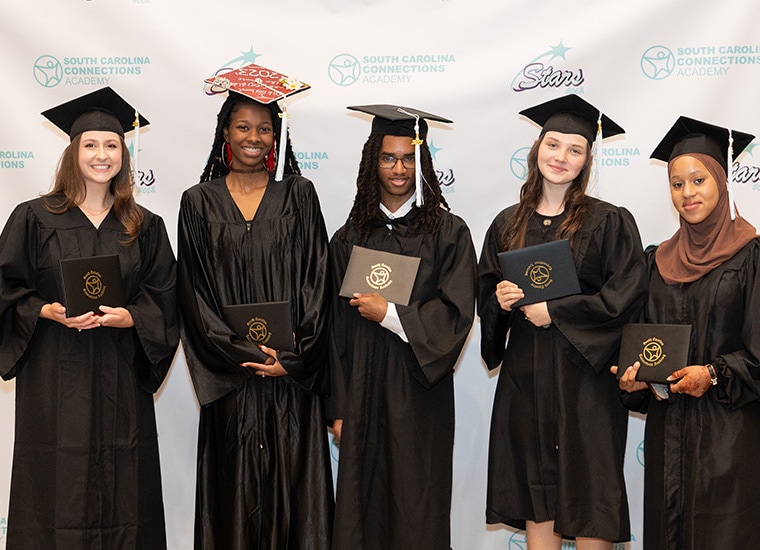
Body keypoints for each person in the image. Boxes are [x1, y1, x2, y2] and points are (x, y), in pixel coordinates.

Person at [0, 87, 178, 548]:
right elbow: (5, 287)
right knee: (53, 486)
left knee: (125, 490)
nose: (102, 155)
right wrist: (44, 309)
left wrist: (131, 317)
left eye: (112, 145)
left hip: (121, 379)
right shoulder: (34, 218)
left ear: (124, 153)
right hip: (54, 379)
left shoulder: (145, 224)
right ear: (73, 151)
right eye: (91, 145)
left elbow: (166, 298)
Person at [478, 94, 647, 549]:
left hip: (585, 386)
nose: (562, 157)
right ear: (537, 149)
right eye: (554, 145)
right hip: (526, 382)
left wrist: (556, 310)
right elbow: (486, 304)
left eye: (575, 149)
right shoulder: (505, 224)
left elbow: (626, 297)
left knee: (592, 499)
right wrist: (501, 300)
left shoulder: (610, 222)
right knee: (539, 496)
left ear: (587, 159)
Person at [177, 64, 333, 549]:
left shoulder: (299, 196)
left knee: (295, 494)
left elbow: (318, 281)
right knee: (233, 498)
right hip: (233, 379)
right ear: (225, 132)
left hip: (290, 379)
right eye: (243, 127)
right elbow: (194, 294)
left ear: (277, 135)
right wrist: (240, 353)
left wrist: (293, 358)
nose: (254, 137)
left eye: (265, 128)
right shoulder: (198, 203)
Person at [329, 104, 477, 550]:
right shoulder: (350, 235)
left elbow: (456, 314)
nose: (399, 169)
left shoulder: (448, 232)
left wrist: (390, 314)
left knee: (418, 508)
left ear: (423, 163)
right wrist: (337, 407)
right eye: (388, 157)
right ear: (372, 161)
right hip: (362, 395)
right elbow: (333, 330)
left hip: (420, 398)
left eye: (409, 158)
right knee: (362, 510)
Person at [615, 117, 760, 549]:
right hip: (667, 437)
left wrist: (713, 374)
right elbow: (648, 345)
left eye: (698, 180)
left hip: (729, 441)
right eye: (677, 184)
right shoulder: (657, 262)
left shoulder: (751, 256)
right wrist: (636, 380)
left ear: (721, 181)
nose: (688, 193)